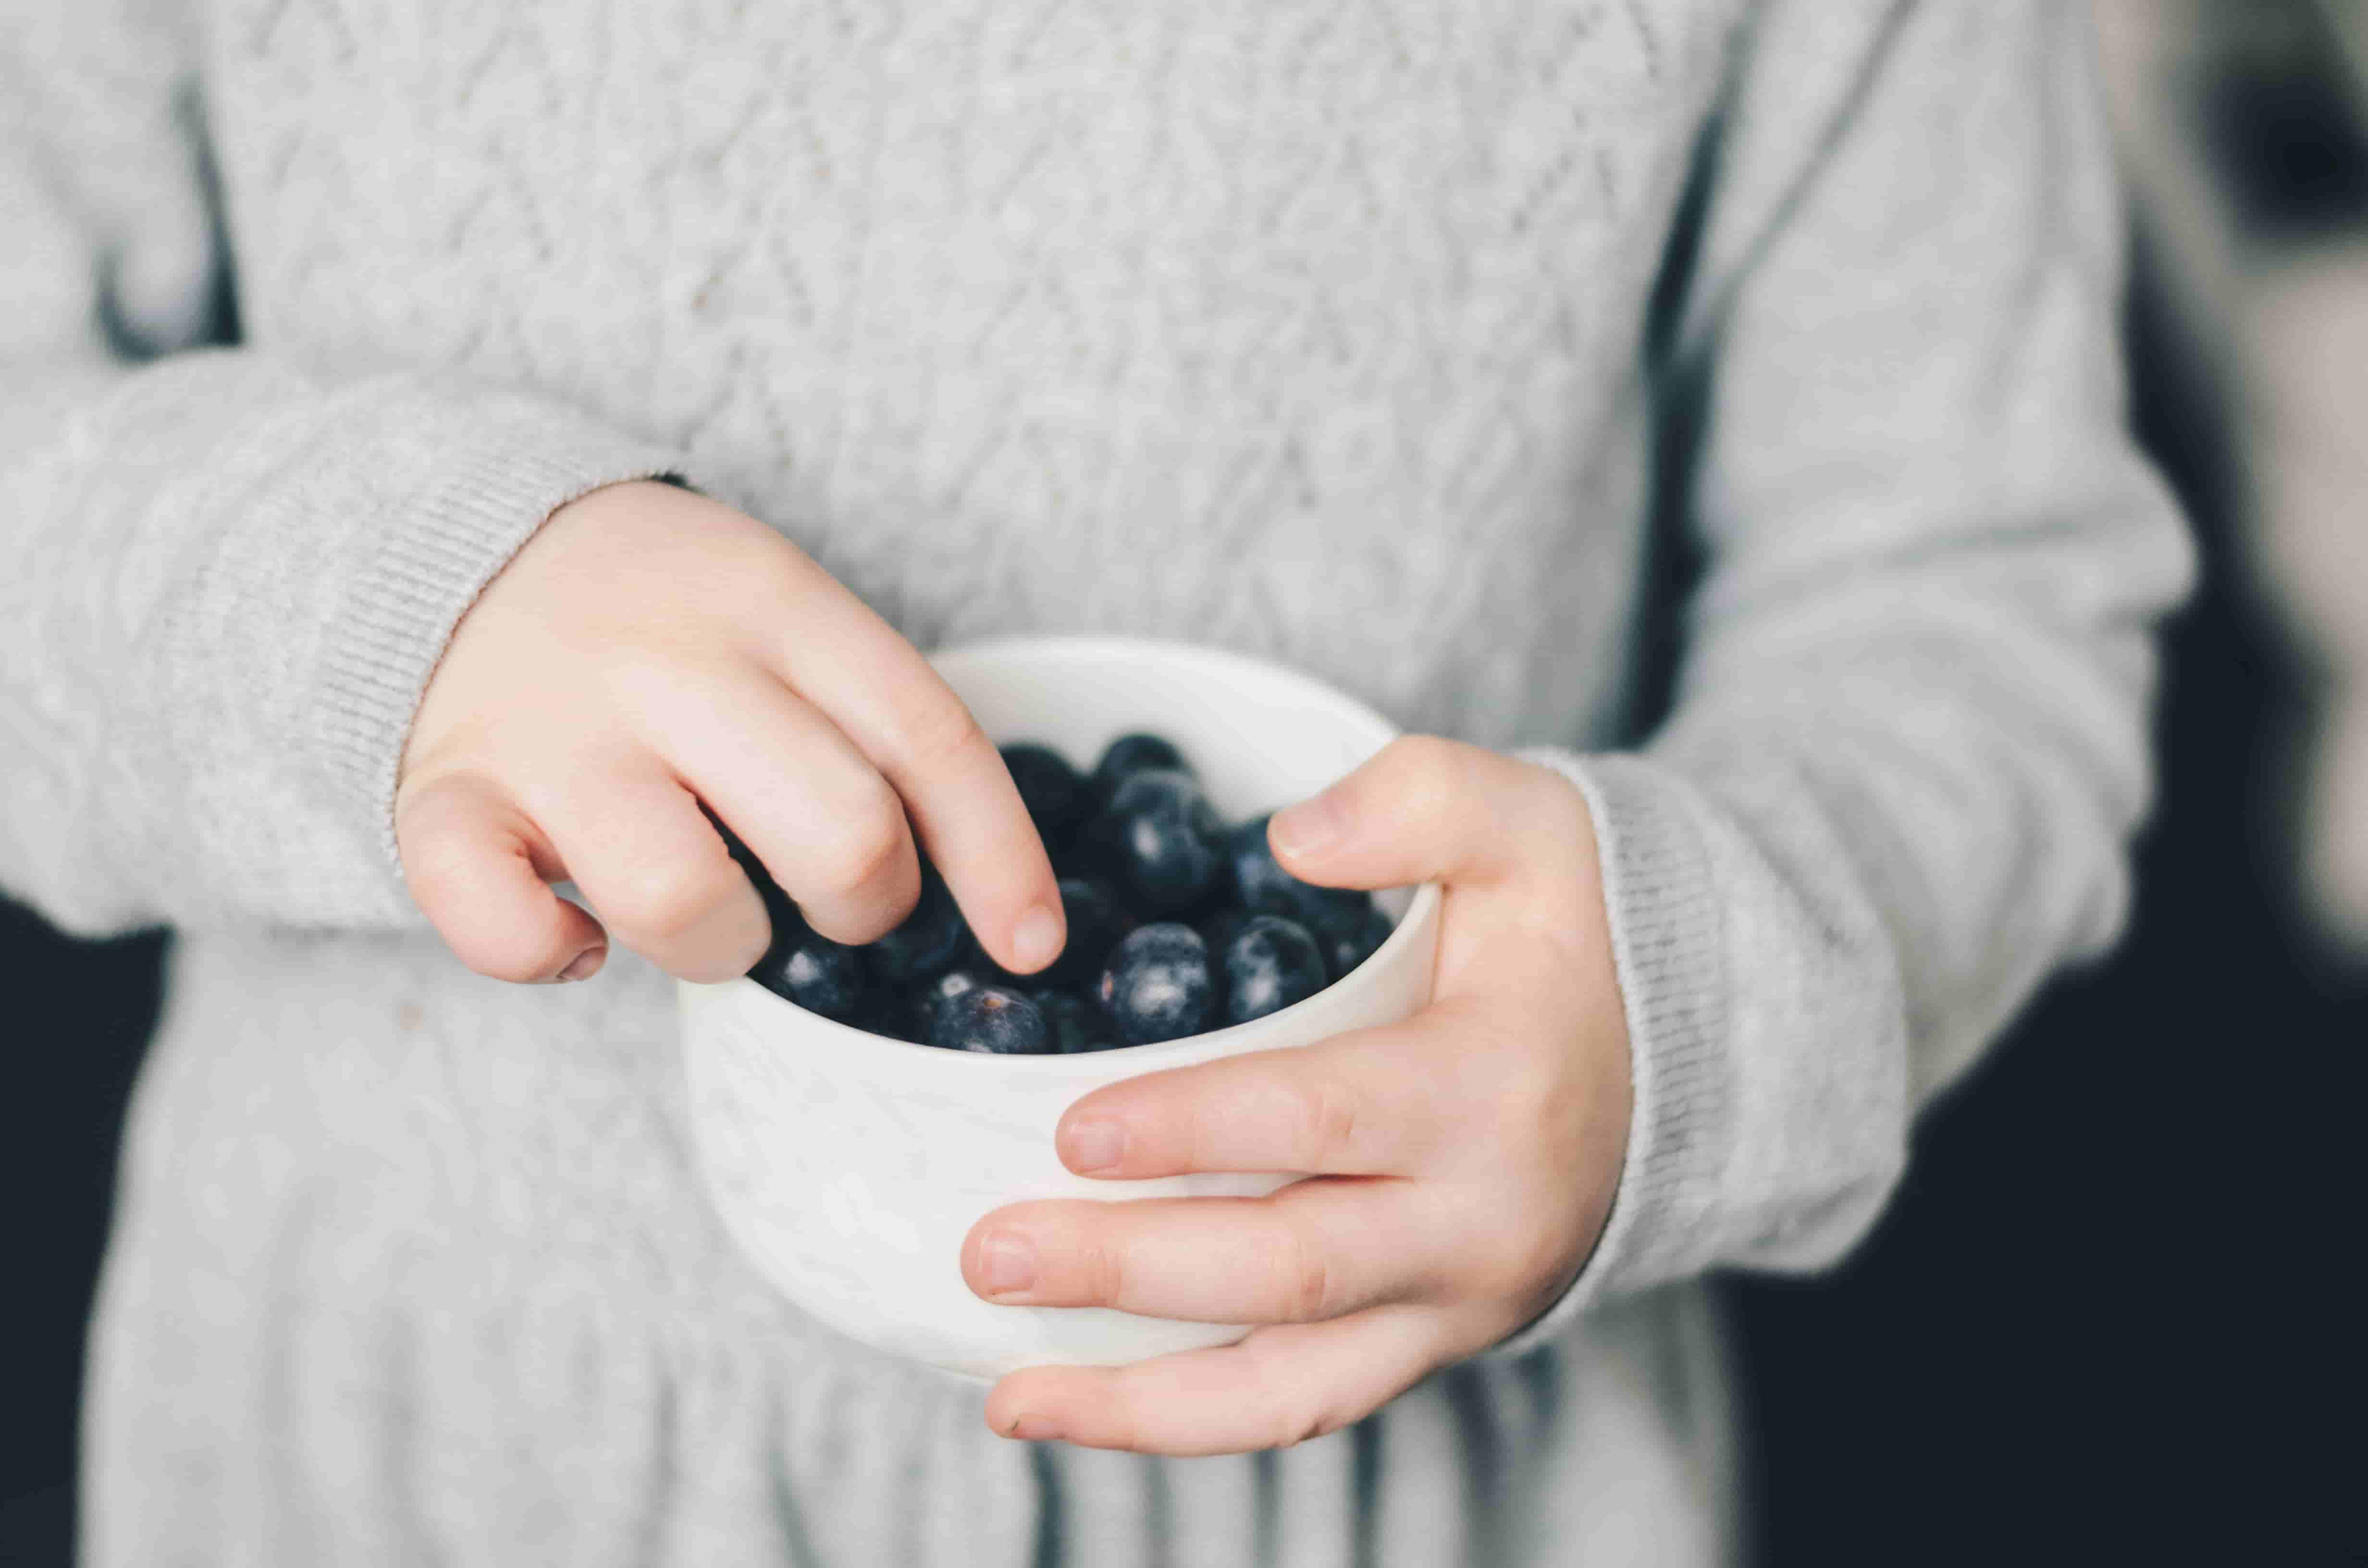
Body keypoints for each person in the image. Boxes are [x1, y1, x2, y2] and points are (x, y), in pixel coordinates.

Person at [0, 1, 2191, 1562]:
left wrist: (1687, 1011)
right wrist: (372, 606)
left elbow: (1967, 593)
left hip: (1412, 1484)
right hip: (398, 1458)